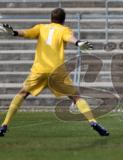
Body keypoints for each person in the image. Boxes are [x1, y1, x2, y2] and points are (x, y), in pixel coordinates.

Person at [0, 8, 109, 136]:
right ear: (63, 20)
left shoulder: (41, 27)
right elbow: (70, 38)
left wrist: (14, 32)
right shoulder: (64, 30)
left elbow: (26, 33)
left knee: (23, 93)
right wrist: (78, 42)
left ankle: (4, 125)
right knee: (76, 97)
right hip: (57, 71)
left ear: (50, 18)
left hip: (39, 70)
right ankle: (93, 121)